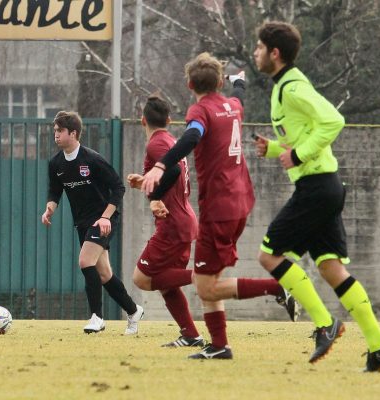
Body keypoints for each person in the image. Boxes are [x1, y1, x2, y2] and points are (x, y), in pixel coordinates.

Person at [252, 21, 380, 372]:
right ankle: (379, 345)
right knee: (332, 268)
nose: (254, 53)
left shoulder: (293, 87)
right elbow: (302, 133)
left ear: (275, 53)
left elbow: (333, 121)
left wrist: (299, 155)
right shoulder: (283, 87)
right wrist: (274, 149)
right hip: (324, 186)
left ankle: (324, 324)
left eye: (259, 47)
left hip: (317, 188)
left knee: (268, 256)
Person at [141, 53, 298, 360]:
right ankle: (219, 345)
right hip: (240, 200)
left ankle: (276, 287)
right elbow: (239, 90)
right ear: (218, 82)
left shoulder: (200, 111)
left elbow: (193, 136)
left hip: (218, 206)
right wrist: (238, 80)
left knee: (206, 287)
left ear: (189, 84)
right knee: (208, 281)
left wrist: (161, 165)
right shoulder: (232, 105)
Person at [42, 111, 144, 335]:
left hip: (103, 219)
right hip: (83, 222)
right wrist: (50, 207)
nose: (56, 135)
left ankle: (96, 318)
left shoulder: (92, 159)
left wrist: (106, 216)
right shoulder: (56, 163)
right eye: (55, 131)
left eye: (60, 131)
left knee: (85, 261)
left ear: (74, 133)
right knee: (104, 274)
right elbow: (55, 189)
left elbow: (118, 187)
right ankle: (133, 309)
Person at [127, 94, 203, 347]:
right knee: (168, 285)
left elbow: (173, 171)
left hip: (173, 225)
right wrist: (145, 185)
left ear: (142, 121)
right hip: (182, 221)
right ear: (169, 120)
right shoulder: (171, 140)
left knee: (142, 278)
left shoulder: (156, 144)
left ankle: (204, 275)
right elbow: (171, 177)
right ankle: (191, 335)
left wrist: (154, 197)